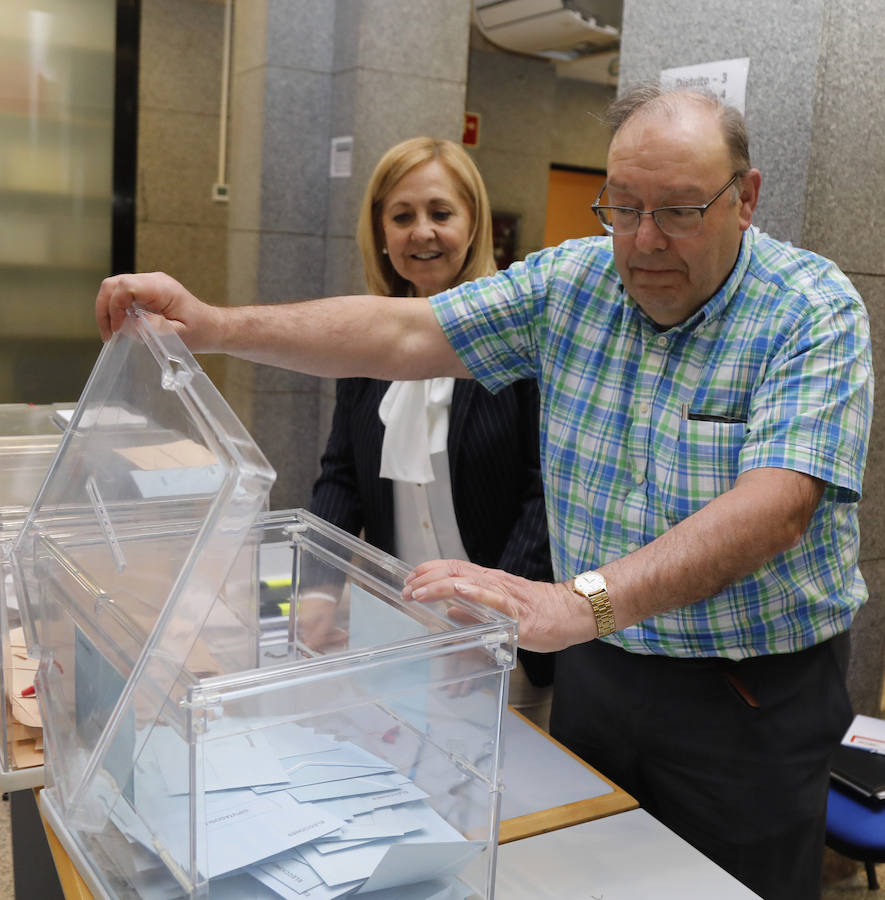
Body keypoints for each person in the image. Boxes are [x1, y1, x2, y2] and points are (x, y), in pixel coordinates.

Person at [95, 85, 873, 900]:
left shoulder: (808, 309)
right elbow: (404, 331)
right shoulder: (573, 282)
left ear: (744, 199)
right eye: (623, 207)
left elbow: (775, 505)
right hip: (600, 677)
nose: (644, 241)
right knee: (585, 875)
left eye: (679, 211)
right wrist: (214, 326)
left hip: (743, 693)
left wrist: (579, 603)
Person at [309, 137, 555, 723]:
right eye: (402, 216)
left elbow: (544, 493)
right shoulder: (370, 340)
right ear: (381, 232)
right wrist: (317, 589)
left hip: (506, 638)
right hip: (401, 626)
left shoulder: (520, 339)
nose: (422, 232)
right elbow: (340, 476)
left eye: (441, 213)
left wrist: (496, 616)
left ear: (474, 224)